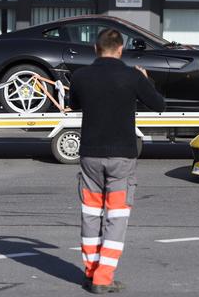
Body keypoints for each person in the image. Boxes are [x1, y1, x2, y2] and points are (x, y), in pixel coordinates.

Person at [69, 29, 165, 294]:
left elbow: (73, 102)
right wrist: (147, 80)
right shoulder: (132, 76)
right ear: (120, 49)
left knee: (90, 214)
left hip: (90, 155)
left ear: (95, 49)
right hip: (122, 157)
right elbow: (159, 104)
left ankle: (90, 272)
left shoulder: (81, 77)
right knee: (117, 216)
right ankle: (103, 277)